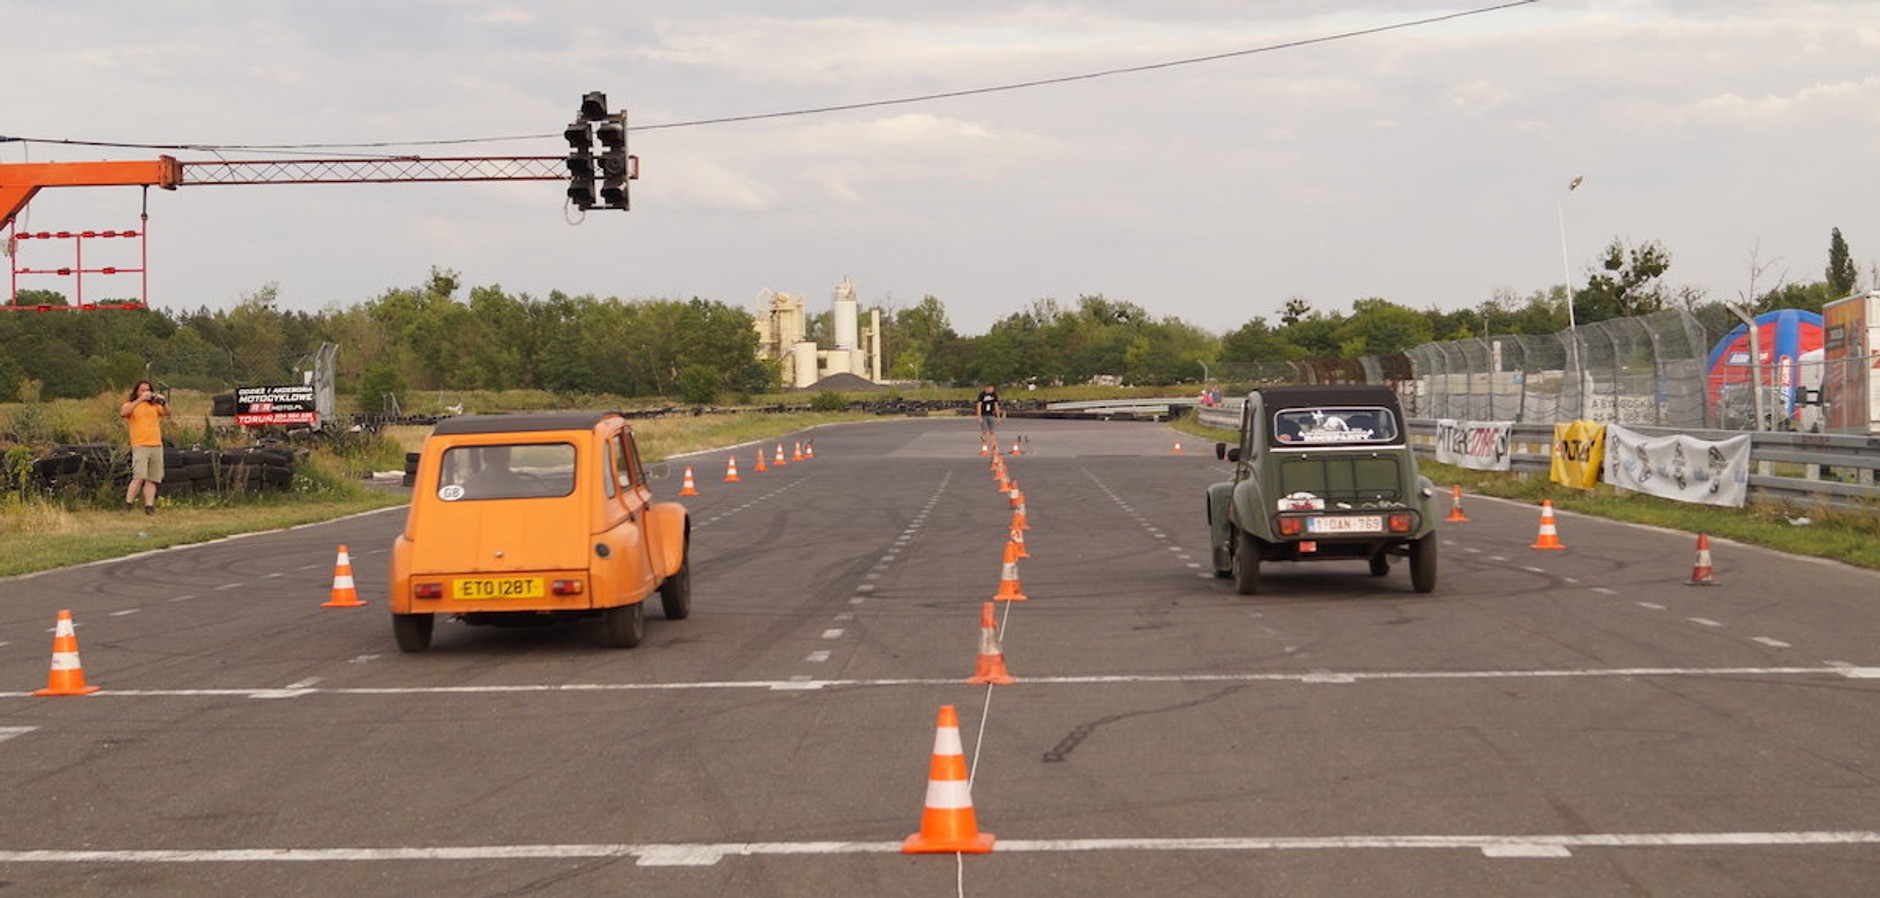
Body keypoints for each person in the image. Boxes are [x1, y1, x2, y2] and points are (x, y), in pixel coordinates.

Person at [119, 380, 171, 514]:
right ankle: (128, 504)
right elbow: (124, 413)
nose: (146, 392)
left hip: (156, 445)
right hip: (140, 445)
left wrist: (163, 402)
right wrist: (140, 399)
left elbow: (167, 413)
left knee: (153, 478)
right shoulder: (131, 404)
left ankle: (149, 506)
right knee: (139, 477)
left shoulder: (155, 406)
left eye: (147, 390)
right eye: (142, 390)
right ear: (137, 392)